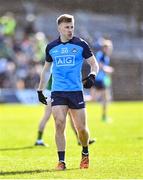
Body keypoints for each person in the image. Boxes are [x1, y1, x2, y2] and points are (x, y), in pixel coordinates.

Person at [37, 14, 99, 170]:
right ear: (59, 28)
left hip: (75, 91)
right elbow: (46, 70)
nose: (70, 30)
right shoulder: (51, 47)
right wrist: (40, 90)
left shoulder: (81, 44)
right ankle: (61, 161)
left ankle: (85, 152)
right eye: (67, 27)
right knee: (59, 124)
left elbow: (94, 64)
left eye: (72, 27)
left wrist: (92, 76)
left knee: (81, 129)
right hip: (58, 91)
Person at [35, 75, 96, 146]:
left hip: (54, 91)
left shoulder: (51, 65)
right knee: (47, 116)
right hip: (55, 91)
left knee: (71, 116)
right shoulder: (57, 65)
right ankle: (39, 140)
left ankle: (79, 139)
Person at [90, 38, 114, 122]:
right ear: (104, 48)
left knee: (105, 98)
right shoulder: (100, 54)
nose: (109, 49)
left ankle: (104, 117)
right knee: (93, 99)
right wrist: (107, 69)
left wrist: (107, 78)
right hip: (97, 79)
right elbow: (99, 65)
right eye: (108, 48)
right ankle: (80, 101)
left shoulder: (107, 57)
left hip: (102, 80)